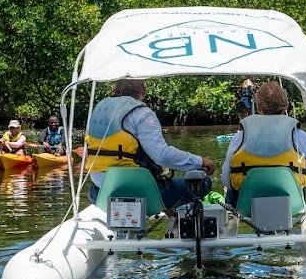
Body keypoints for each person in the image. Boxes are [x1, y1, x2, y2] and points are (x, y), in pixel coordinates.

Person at [84, 78, 215, 209]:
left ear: (114, 90)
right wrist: (200, 162)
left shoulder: (97, 112)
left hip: (98, 192)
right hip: (139, 192)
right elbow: (162, 156)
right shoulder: (142, 114)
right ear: (144, 91)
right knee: (203, 183)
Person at [222, 80, 306, 205]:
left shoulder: (240, 137)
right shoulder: (299, 137)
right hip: (292, 204)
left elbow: (226, 180)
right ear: (286, 105)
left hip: (245, 205)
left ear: (259, 108)